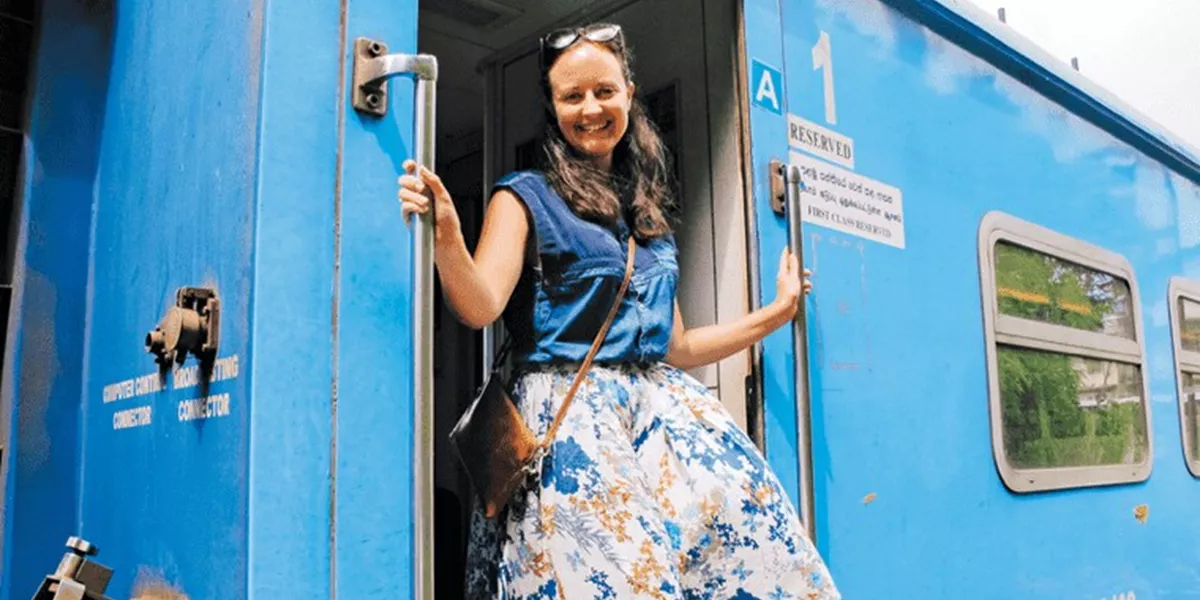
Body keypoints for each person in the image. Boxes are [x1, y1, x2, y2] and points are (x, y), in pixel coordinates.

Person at [398, 22, 840, 600]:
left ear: (629, 93)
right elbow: (480, 307)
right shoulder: (524, 195)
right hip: (572, 419)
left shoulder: (647, 214)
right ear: (553, 107)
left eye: (604, 91)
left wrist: (776, 314)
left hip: (659, 424)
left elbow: (678, 347)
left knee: (761, 553)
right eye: (572, 96)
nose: (590, 109)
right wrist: (448, 236)